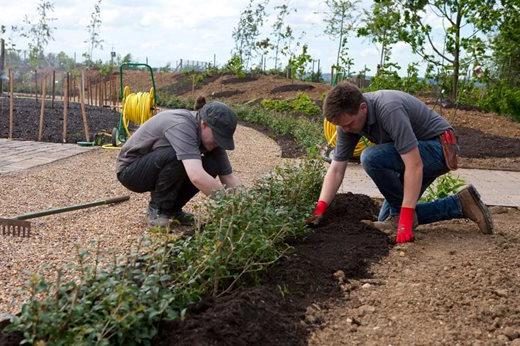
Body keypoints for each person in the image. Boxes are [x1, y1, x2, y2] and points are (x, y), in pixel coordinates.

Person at [306, 82, 493, 243]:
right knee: (387, 218)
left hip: (439, 149)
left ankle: (404, 216)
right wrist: (320, 207)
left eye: (349, 124)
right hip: (417, 154)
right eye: (341, 126)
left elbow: (414, 164)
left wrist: (405, 219)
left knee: (370, 157)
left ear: (363, 107)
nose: (345, 130)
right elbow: (336, 169)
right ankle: (460, 204)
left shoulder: (388, 109)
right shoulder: (347, 126)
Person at [116, 96, 241, 228]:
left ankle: (172, 210)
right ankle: (158, 212)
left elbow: (228, 177)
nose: (218, 143)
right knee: (178, 156)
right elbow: (197, 176)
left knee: (212, 164)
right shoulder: (182, 125)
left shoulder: (212, 139)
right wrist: (228, 205)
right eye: (218, 138)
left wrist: (245, 205)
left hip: (157, 165)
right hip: (131, 171)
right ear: (204, 125)